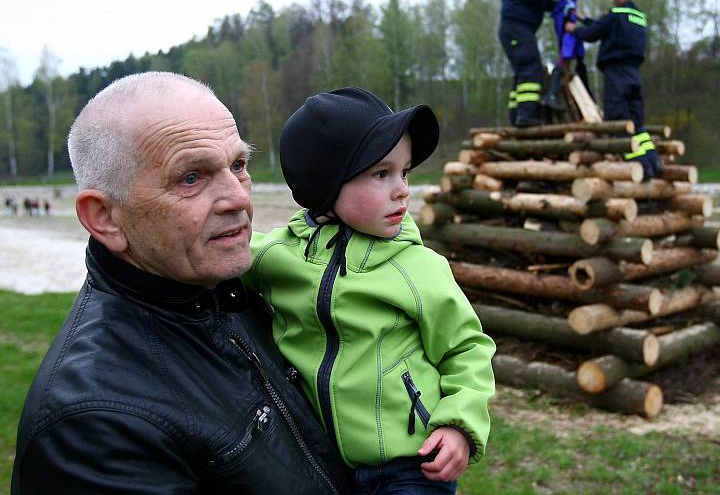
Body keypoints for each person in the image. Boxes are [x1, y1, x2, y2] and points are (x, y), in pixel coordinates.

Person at [12, 72, 351, 494]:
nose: (239, 198)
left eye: (238, 165)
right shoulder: (93, 426)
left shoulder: (234, 291)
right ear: (104, 217)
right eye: (191, 177)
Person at [246, 87, 496, 494]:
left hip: (410, 466)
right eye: (382, 174)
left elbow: (466, 348)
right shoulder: (277, 256)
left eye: (405, 172)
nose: (402, 190)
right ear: (324, 185)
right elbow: (220, 263)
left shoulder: (418, 268)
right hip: (315, 458)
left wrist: (459, 424)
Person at [565, 0, 663, 178]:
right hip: (634, 73)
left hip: (616, 74)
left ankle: (641, 168)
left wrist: (574, 30)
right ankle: (654, 162)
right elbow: (606, 27)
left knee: (618, 122)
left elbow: (594, 33)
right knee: (637, 124)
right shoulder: (639, 17)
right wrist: (583, 18)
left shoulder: (616, 15)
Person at [499, 0, 579, 126]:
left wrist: (566, 6)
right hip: (516, 29)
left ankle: (516, 116)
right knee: (530, 69)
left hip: (521, 30)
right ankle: (527, 116)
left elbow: (545, 1)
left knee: (522, 72)